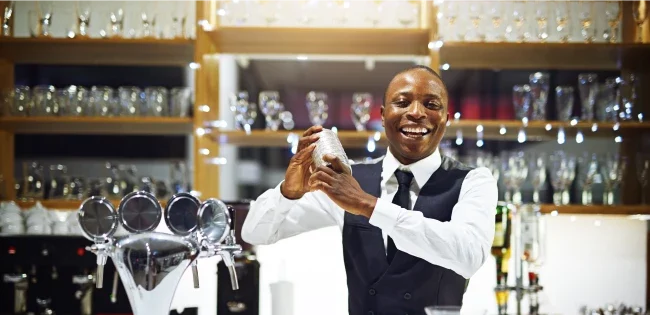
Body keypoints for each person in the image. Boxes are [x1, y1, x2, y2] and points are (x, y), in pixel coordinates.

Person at [241, 65, 498, 315]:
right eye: (402, 102)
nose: (417, 112)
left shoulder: (473, 181)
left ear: (446, 119)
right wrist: (288, 192)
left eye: (431, 104)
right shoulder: (346, 179)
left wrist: (368, 205)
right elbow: (256, 233)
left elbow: (469, 255)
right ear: (383, 115)